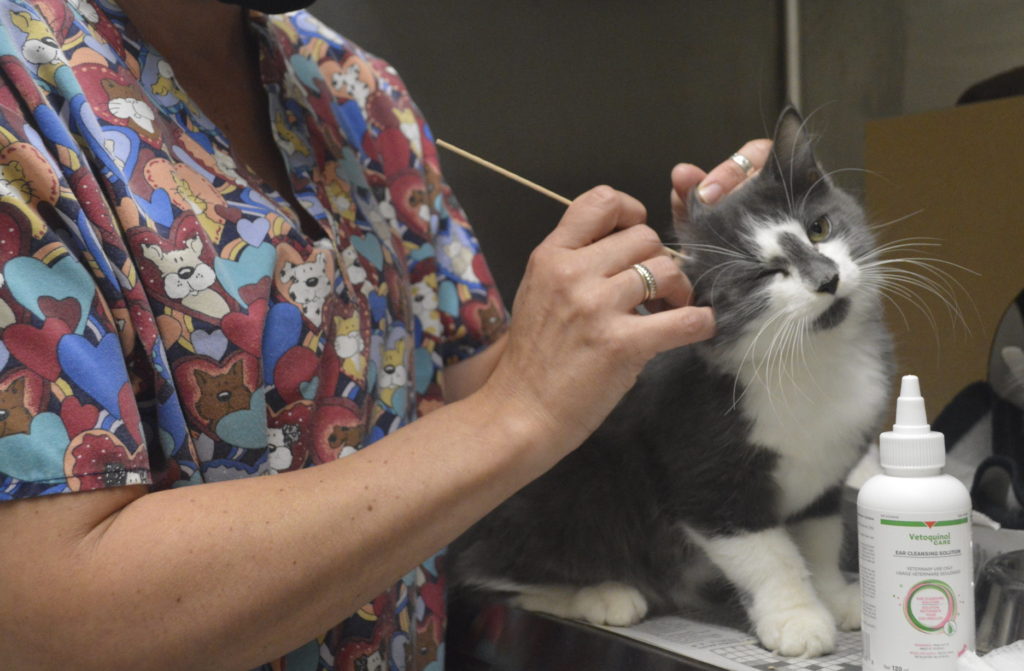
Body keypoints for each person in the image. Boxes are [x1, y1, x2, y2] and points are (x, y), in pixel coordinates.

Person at [0, 0, 770, 668]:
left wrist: (655, 311)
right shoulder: (22, 97)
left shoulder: (351, 91)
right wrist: (517, 413)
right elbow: (56, 611)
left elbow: (461, 389)